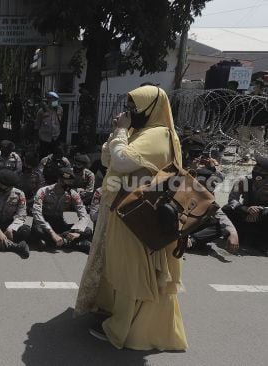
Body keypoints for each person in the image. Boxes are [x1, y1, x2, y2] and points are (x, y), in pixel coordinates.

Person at [75, 85, 188, 351]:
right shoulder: (143, 131)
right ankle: (112, 310)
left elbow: (123, 161)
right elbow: (109, 160)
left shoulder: (158, 134)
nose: (129, 112)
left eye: (135, 107)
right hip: (124, 207)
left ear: (151, 108)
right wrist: (118, 133)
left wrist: (121, 133)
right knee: (118, 265)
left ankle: (124, 329)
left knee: (131, 271)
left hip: (136, 213)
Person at [31, 167, 92, 253]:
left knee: (87, 230)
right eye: (67, 184)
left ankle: (53, 242)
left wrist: (77, 232)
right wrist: (52, 233)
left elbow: (84, 216)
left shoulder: (73, 194)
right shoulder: (43, 191)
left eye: (71, 183)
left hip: (59, 222)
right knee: (37, 230)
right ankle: (73, 244)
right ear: (59, 180)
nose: (69, 186)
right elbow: (37, 214)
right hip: (43, 223)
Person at [222, 155, 268, 254]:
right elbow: (232, 200)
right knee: (226, 209)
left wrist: (260, 209)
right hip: (246, 211)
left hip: (264, 215)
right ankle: (234, 233)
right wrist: (245, 209)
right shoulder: (244, 181)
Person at [188, 168, 238, 253]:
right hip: (178, 229)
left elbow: (220, 215)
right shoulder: (184, 194)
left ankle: (192, 241)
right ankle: (185, 241)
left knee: (221, 226)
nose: (212, 188)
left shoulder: (208, 197)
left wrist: (233, 233)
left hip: (192, 226)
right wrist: (185, 236)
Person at [36, 91, 63, 158]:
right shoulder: (41, 111)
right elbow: (37, 124)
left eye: (56, 100)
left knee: (55, 156)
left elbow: (60, 121)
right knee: (43, 156)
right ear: (49, 100)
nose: (55, 102)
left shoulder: (60, 109)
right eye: (53, 100)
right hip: (44, 138)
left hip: (55, 137)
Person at [17, 150, 42, 215]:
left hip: (30, 203)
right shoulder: (18, 173)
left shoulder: (37, 175)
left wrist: (30, 200)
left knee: (28, 221)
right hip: (18, 201)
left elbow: (39, 192)